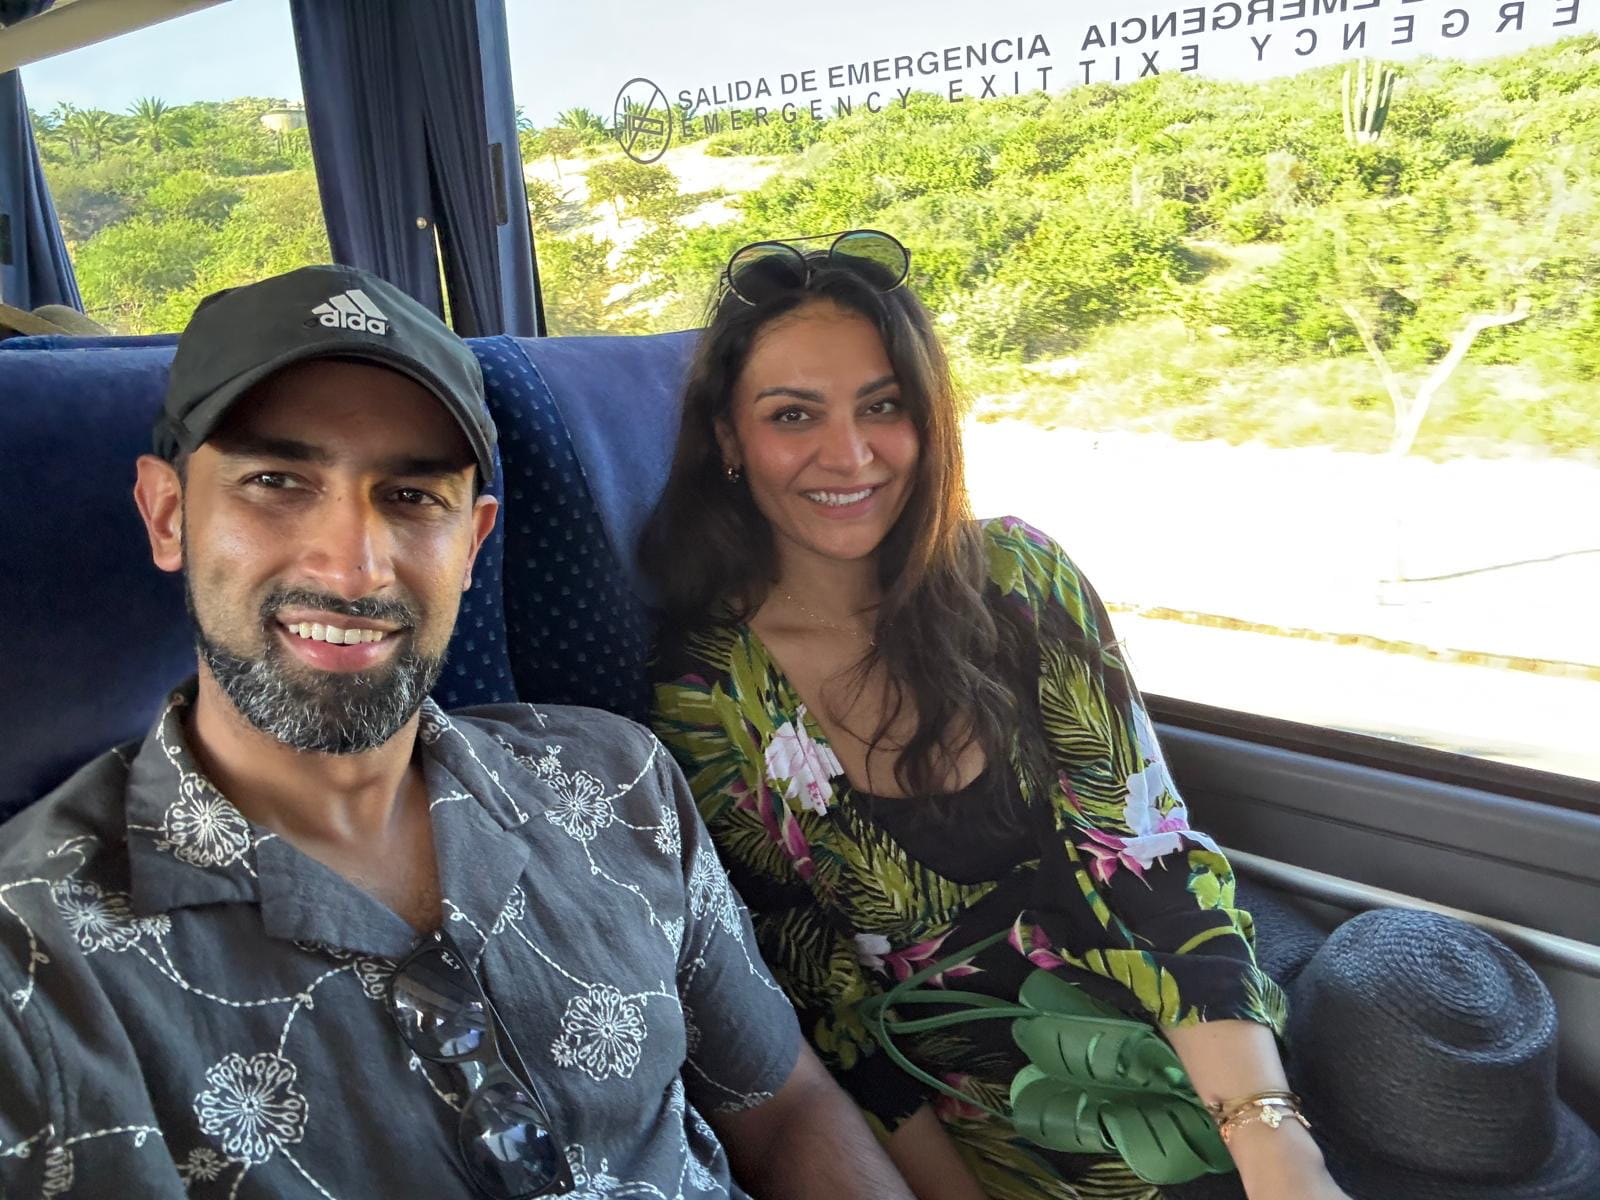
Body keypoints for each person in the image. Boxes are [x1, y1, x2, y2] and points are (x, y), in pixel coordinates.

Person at [0, 264, 916, 1200]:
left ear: (472, 544)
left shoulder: (616, 782)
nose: (353, 568)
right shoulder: (30, 968)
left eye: (410, 497)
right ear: (168, 515)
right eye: (276, 480)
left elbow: (785, 1106)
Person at [643, 231, 1355, 1200]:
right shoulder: (706, 694)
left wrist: (1275, 1147)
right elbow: (825, 1005)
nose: (848, 455)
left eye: (881, 406)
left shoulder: (1022, 582)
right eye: (792, 414)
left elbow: (1151, 865)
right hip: (964, 1123)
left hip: (1187, 1057)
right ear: (729, 439)